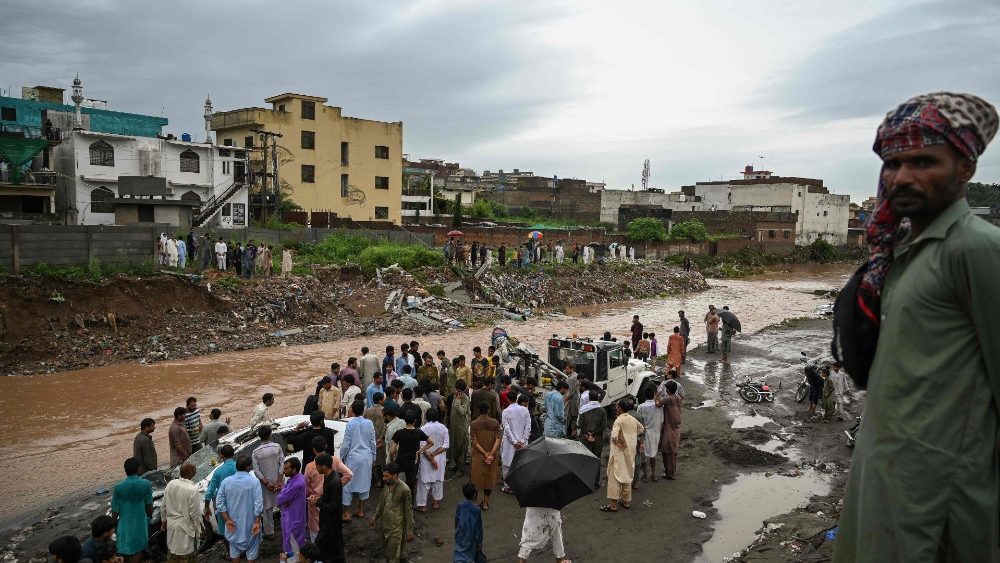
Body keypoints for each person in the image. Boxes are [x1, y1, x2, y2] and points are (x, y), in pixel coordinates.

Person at [835, 95, 1000, 562]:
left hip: (942, 495)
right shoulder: (900, 255)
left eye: (924, 161)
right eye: (894, 163)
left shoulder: (977, 250)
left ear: (965, 168)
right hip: (881, 474)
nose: (903, 177)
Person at [217, 455, 264, 562]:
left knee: (234, 553)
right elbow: (258, 504)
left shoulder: (226, 482)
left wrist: (227, 520)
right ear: (248, 467)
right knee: (252, 553)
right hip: (251, 525)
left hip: (233, 526)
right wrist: (257, 521)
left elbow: (219, 503)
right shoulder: (254, 482)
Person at [601, 400, 644, 512]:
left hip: (619, 453)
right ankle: (626, 502)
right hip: (630, 452)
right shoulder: (632, 419)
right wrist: (630, 437)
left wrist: (619, 441)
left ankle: (613, 505)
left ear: (620, 408)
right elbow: (641, 429)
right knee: (627, 475)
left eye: (617, 406)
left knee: (615, 477)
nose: (616, 408)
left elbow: (614, 436)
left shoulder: (619, 420)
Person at [370, 463, 415, 563]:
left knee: (394, 556)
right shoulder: (387, 485)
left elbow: (409, 511)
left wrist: (410, 531)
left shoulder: (404, 490)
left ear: (395, 475)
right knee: (388, 553)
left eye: (386, 476)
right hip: (385, 525)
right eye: (383, 476)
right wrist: (375, 516)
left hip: (397, 529)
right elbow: (381, 502)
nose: (384, 478)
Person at [111, 458, 153, 562]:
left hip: (124, 523)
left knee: (125, 548)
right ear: (138, 469)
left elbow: (115, 510)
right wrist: (148, 517)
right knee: (138, 549)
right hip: (140, 521)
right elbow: (149, 505)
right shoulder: (146, 484)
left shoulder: (118, 487)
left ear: (125, 470)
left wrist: (114, 524)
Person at [340, 401, 376, 520]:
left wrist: (342, 457)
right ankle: (360, 510)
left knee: (348, 484)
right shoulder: (369, 423)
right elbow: (372, 442)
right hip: (367, 457)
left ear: (353, 411)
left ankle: (346, 513)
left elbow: (346, 444)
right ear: (363, 411)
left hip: (353, 458)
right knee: (365, 483)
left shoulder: (350, 424)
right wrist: (373, 457)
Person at [309, 453, 345, 563]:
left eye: (317, 466)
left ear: (324, 467)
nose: (316, 468)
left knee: (327, 550)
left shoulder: (334, 481)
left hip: (331, 523)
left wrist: (317, 503)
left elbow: (333, 506)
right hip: (327, 521)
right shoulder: (328, 476)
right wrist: (319, 498)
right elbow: (328, 498)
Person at [389, 411, 434, 497]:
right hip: (413, 461)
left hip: (400, 460)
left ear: (405, 420)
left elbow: (391, 450)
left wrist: (393, 459)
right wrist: (419, 451)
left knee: (397, 482)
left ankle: (397, 499)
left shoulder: (399, 433)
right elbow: (431, 442)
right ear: (415, 421)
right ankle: (410, 502)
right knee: (411, 483)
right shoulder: (418, 432)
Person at [163, 462, 201, 560]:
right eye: (195, 469)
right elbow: (195, 515)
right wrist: (198, 531)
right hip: (186, 531)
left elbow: (163, 506)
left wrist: (163, 521)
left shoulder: (171, 484)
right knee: (186, 556)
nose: (196, 471)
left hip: (172, 528)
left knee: (173, 555)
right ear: (191, 473)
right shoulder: (192, 490)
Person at [251, 425, 284, 537]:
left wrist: (266, 483)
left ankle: (270, 532)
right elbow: (282, 464)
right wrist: (279, 480)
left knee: (267, 508)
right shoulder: (277, 447)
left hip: (266, 485)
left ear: (260, 437)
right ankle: (286, 525)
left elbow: (256, 470)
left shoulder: (255, 452)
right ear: (270, 435)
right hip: (278, 481)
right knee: (283, 504)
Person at [414, 408, 449, 511]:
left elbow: (422, 446)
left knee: (424, 481)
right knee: (438, 480)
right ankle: (436, 502)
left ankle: (422, 505)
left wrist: (431, 457)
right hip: (440, 457)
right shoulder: (443, 428)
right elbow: (446, 444)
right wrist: (435, 455)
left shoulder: (423, 429)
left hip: (426, 458)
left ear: (426, 417)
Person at [469, 402, 501, 510]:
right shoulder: (495, 423)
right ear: (488, 410)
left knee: (476, 479)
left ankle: (475, 502)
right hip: (492, 457)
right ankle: (486, 503)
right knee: (489, 479)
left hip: (478, 456)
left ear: (478, 410)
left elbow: (474, 441)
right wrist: (491, 453)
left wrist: (484, 453)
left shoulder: (474, 424)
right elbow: (498, 439)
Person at [205, 444, 237, 544]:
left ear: (221, 456)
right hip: (239, 502)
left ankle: (231, 554)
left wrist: (206, 507)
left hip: (224, 506)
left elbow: (210, 492)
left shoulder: (218, 471)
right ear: (233, 454)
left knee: (225, 530)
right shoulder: (239, 466)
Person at [276, 457, 308, 558]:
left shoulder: (295, 485)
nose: (283, 471)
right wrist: (284, 489)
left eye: (286, 469)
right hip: (296, 517)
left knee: (292, 548)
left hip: (292, 520)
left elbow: (279, 500)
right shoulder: (299, 477)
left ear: (294, 469)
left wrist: (282, 490)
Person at [500, 394, 532, 493]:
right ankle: (519, 486)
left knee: (507, 465)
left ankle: (508, 487)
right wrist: (522, 441)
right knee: (520, 464)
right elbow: (528, 427)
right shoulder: (525, 411)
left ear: (508, 400)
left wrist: (514, 442)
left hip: (509, 444)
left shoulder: (505, 411)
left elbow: (507, 429)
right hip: (522, 443)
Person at [634, 387, 663, 482]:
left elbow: (637, 421)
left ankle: (645, 475)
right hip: (655, 433)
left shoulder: (641, 407)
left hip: (643, 433)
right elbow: (661, 420)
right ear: (654, 394)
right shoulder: (658, 407)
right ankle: (653, 475)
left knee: (642, 455)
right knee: (653, 455)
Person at [454, 482, 486, 563]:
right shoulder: (476, 510)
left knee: (459, 552)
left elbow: (456, 520)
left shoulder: (460, 505)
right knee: (469, 555)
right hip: (471, 536)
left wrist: (457, 531)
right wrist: (479, 542)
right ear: (474, 494)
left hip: (460, 534)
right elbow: (478, 528)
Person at [656, 380, 682, 480]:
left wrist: (657, 394)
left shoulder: (668, 399)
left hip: (669, 428)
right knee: (673, 451)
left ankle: (669, 473)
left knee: (667, 451)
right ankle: (671, 471)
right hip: (676, 427)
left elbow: (657, 403)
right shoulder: (678, 398)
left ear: (667, 389)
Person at [447, 379, 472, 475]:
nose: (456, 391)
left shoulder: (465, 398)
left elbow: (462, 412)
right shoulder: (453, 396)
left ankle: (460, 469)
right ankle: (455, 464)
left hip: (462, 427)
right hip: (454, 427)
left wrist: (458, 401)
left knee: (462, 447)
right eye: (456, 389)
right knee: (454, 446)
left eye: (458, 390)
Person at [578, 393, 607, 463]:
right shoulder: (602, 410)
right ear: (597, 398)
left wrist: (588, 433)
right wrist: (593, 434)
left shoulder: (583, 409)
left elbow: (580, 424)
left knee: (584, 459)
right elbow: (603, 426)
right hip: (597, 439)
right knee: (595, 459)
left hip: (585, 437)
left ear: (589, 398)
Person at [563, 364, 581, 438]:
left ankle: (571, 433)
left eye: (567, 369)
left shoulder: (571, 379)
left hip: (572, 401)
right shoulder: (575, 375)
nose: (565, 370)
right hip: (575, 400)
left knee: (571, 417)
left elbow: (570, 392)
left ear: (572, 369)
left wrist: (564, 400)